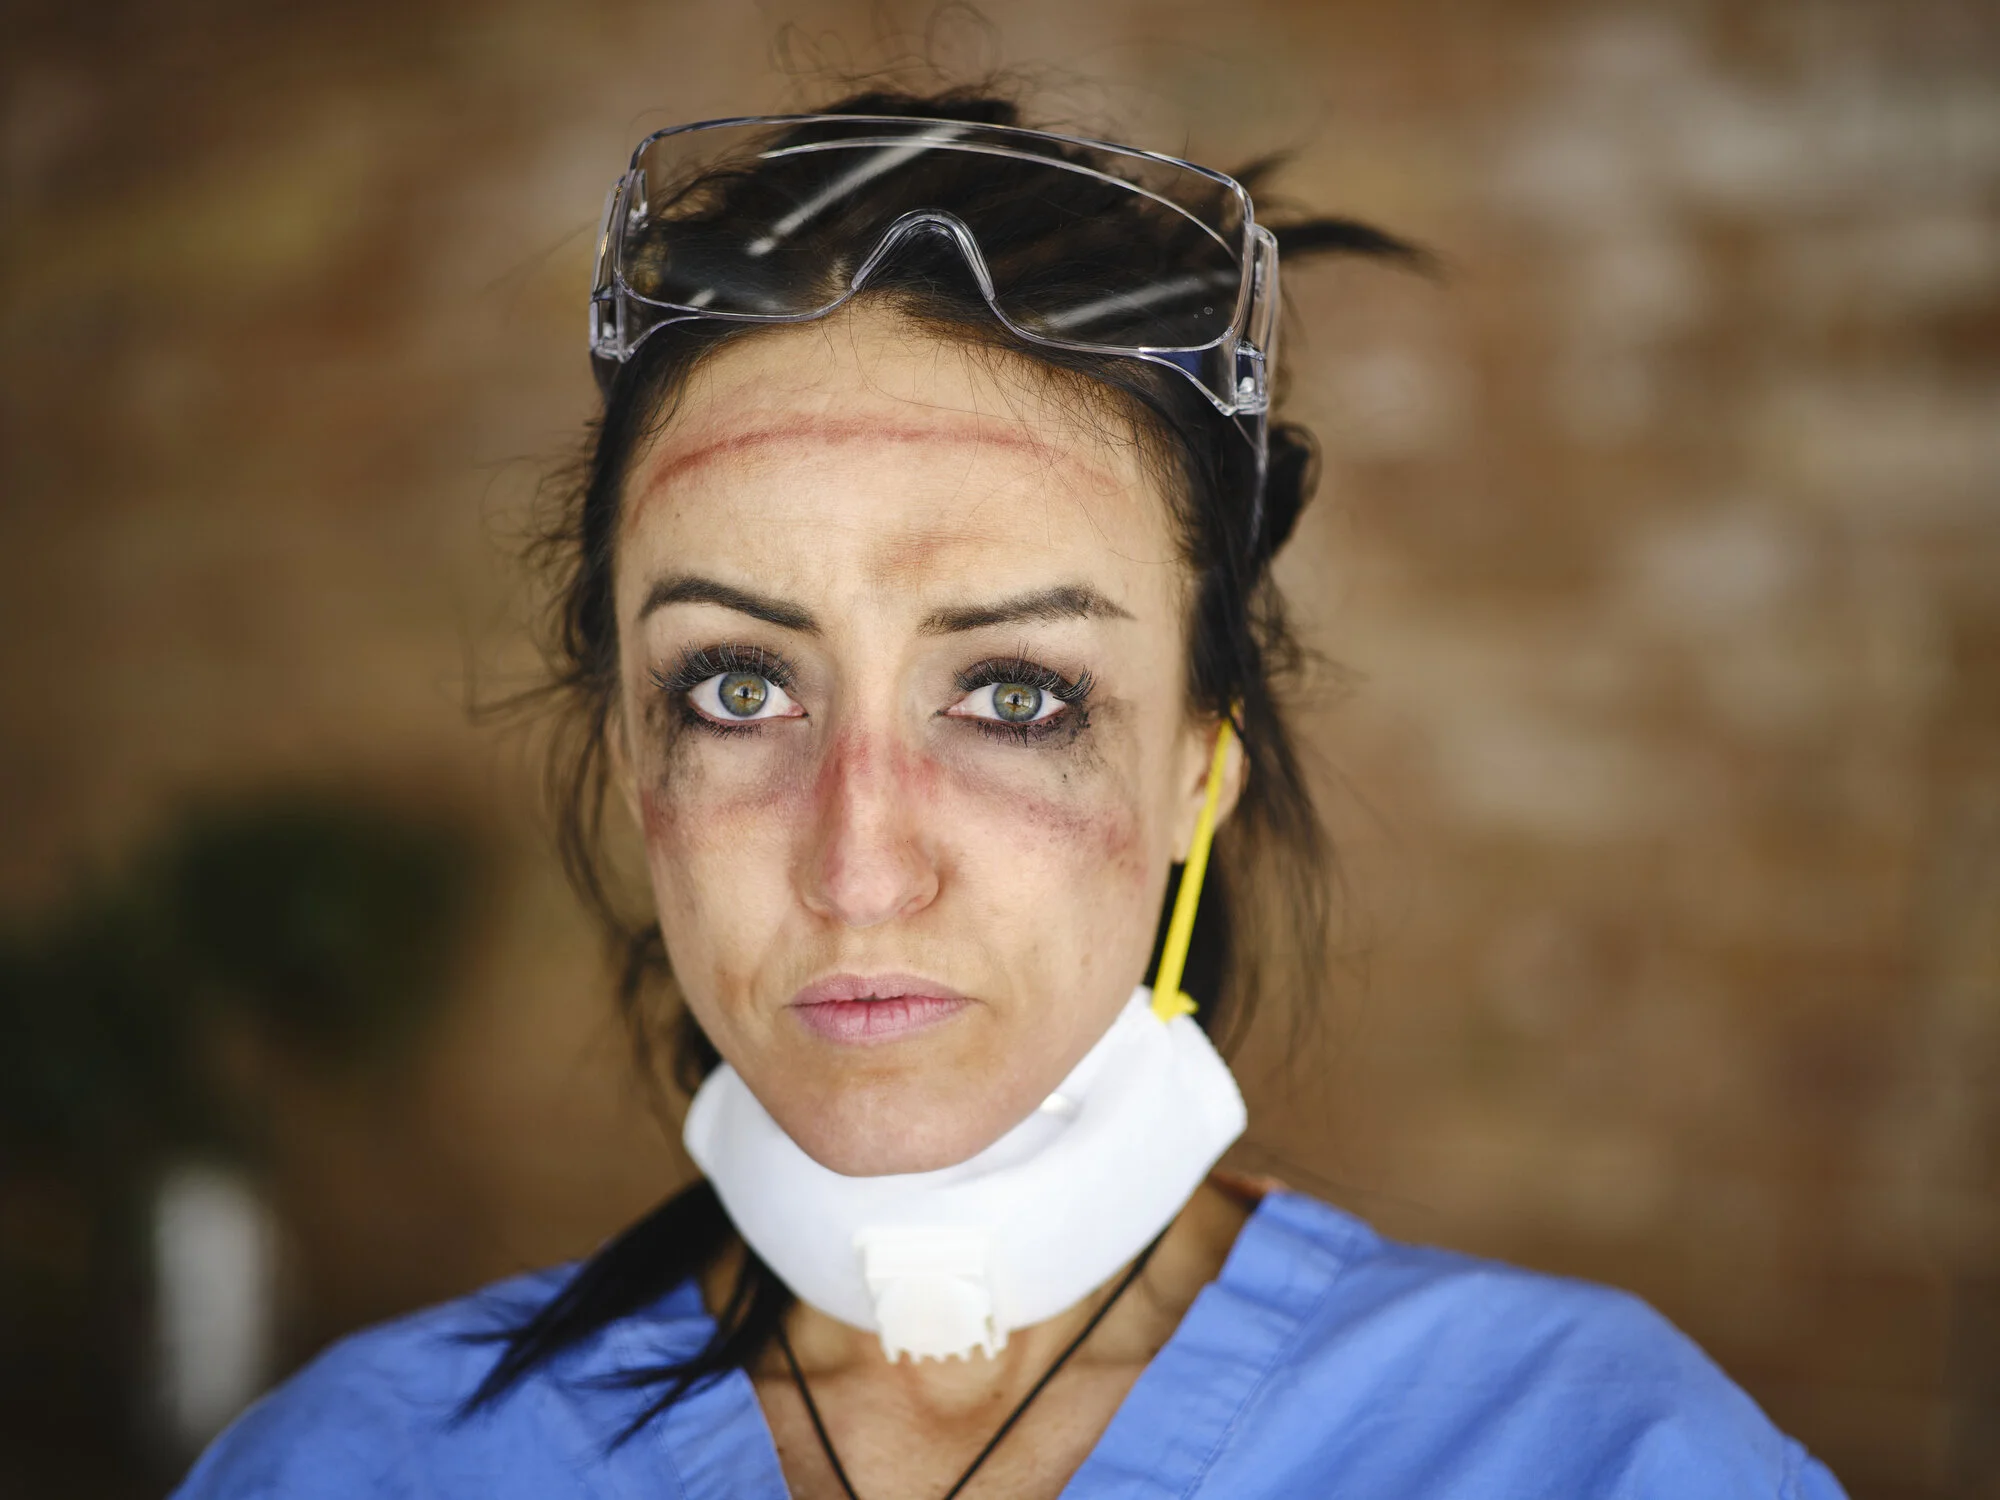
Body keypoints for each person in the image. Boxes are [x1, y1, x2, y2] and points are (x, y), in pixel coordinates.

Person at [174, 90, 1847, 1500]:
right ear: (633, 765)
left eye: (1016, 695)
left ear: (1201, 772)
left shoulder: (1592, 1454)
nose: (860, 861)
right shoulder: (351, 1464)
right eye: (737, 686)